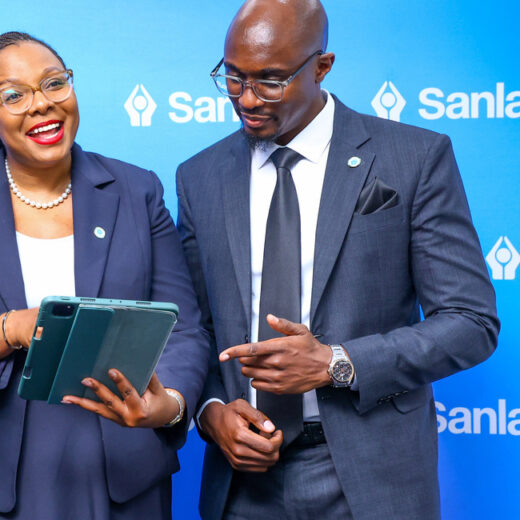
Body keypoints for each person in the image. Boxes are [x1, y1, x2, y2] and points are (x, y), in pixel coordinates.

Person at [174, 1, 499, 518]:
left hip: (370, 475)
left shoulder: (414, 158)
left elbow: (470, 322)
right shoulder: (200, 177)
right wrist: (212, 413)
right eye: (233, 78)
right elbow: (195, 330)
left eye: (271, 81)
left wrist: (334, 364)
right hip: (242, 481)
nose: (247, 99)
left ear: (322, 67)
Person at [0, 32, 210, 519]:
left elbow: (183, 327)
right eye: (14, 95)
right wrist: (11, 329)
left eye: (54, 84)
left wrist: (167, 404)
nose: (42, 105)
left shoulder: (137, 190)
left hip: (123, 469)